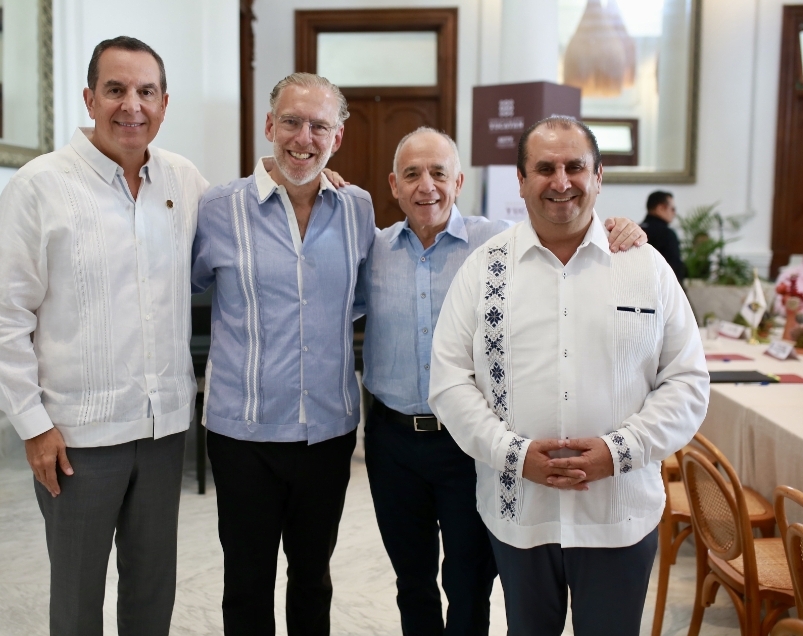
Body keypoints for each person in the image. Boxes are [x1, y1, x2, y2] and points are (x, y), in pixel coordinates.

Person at [357, 127, 648, 636]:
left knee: (470, 578)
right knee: (411, 578)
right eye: (412, 174)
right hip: (393, 440)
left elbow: (565, 223)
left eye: (439, 173)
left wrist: (622, 227)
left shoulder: (495, 244)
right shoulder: (371, 251)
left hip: (468, 442)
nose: (426, 186)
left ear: (459, 182)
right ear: (394, 185)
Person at [428, 116, 709, 636]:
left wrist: (619, 452)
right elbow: (449, 381)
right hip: (521, 511)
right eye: (544, 168)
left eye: (575, 166)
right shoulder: (484, 270)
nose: (561, 181)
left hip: (618, 512)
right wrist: (512, 454)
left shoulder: (644, 267)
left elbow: (688, 381)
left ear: (598, 176)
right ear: (521, 180)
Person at [0, 37, 209, 635]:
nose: (131, 105)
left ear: (164, 103)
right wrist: (32, 425)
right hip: (76, 439)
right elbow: (7, 315)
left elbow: (248, 212)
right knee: (77, 601)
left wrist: (311, 179)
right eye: (115, 89)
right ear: (90, 98)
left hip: (163, 430)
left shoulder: (184, 180)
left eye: (146, 91)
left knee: (151, 596)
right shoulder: (39, 186)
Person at [190, 73, 374, 635]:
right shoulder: (217, 209)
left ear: (337, 138)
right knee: (247, 583)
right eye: (291, 122)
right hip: (243, 434)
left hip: (327, 431)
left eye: (319, 126)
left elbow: (359, 300)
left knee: (313, 579)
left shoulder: (358, 208)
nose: (303, 138)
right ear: (270, 125)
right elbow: (180, 289)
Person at [641, 190, 686, 283]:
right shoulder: (667, 234)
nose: (674, 213)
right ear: (660, 208)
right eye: (672, 209)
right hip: (661, 287)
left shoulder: (636, 231)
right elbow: (674, 270)